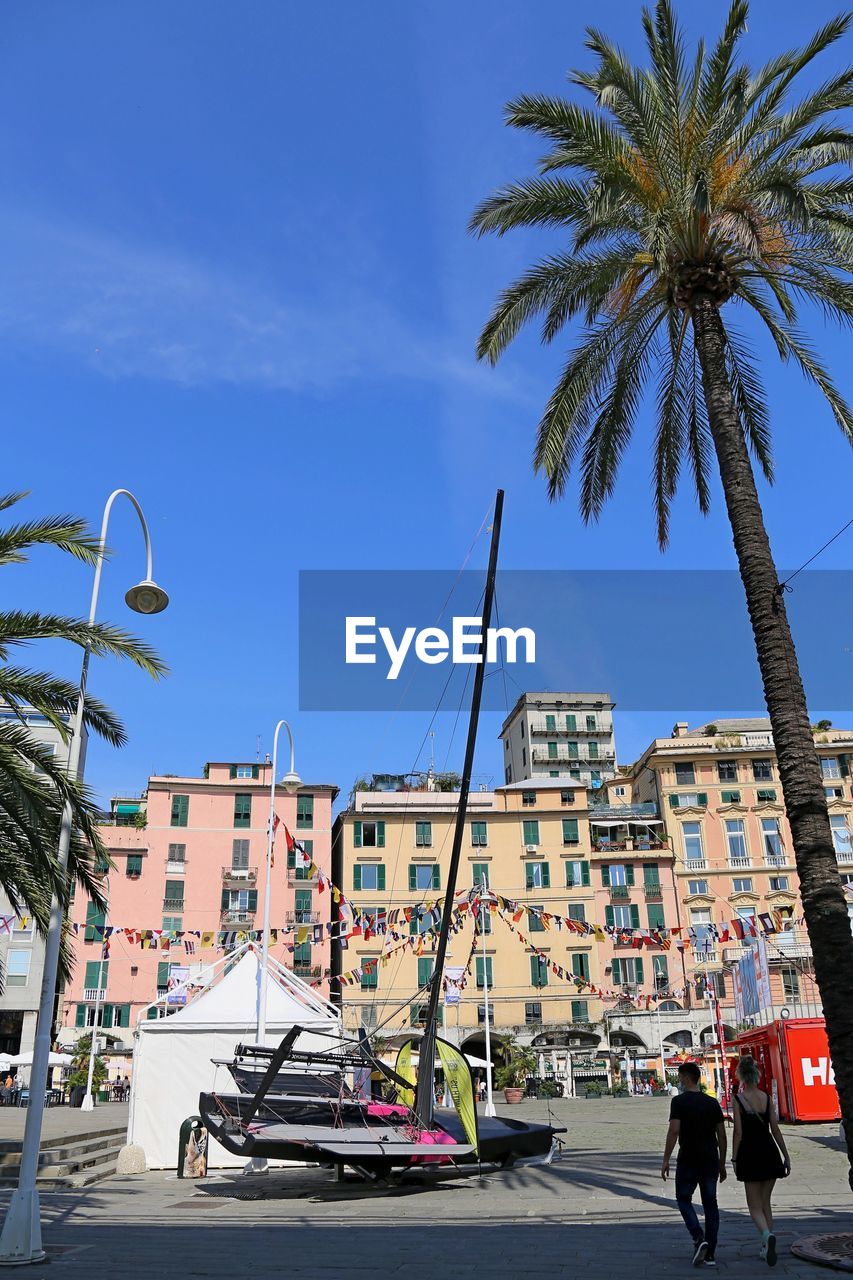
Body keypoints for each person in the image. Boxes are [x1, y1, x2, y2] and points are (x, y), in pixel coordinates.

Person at [661, 1061, 727, 1268]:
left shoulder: (679, 1102)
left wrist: (665, 1159)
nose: (679, 1081)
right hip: (710, 1158)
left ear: (686, 1077)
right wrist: (722, 1162)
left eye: (680, 1077)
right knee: (710, 1204)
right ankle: (711, 1254)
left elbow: (674, 1131)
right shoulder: (712, 1103)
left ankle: (699, 1237)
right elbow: (722, 1135)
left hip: (688, 1157)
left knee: (683, 1198)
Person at [731, 1055, 790, 1267]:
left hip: (750, 1153)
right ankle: (766, 1247)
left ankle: (766, 1236)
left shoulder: (738, 1099)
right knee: (765, 1203)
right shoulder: (766, 1097)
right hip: (769, 1152)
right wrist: (786, 1155)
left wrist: (734, 1157)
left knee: (753, 1205)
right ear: (757, 1075)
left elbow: (738, 1132)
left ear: (741, 1076)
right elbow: (775, 1129)